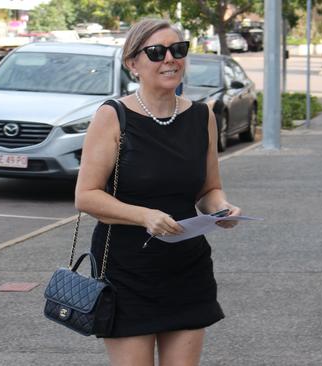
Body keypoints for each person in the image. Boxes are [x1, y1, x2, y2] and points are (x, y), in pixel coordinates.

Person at [74, 19, 242, 366]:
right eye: (157, 52)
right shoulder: (113, 116)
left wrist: (222, 209)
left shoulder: (201, 116)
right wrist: (144, 216)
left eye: (178, 50)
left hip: (186, 268)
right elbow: (86, 196)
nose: (170, 59)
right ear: (133, 63)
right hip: (127, 270)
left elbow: (209, 188)